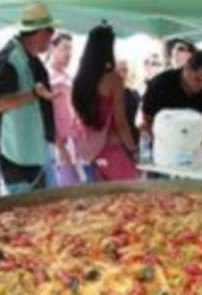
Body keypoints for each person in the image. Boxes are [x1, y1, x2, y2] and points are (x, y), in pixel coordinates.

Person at [0, 3, 59, 194]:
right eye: (51, 33)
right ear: (41, 32)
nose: (51, 40)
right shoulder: (9, 59)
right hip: (16, 156)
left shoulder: (32, 60)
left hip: (36, 150)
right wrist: (33, 94)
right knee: (24, 214)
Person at [72, 25, 139, 181]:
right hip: (111, 148)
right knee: (130, 196)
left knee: (100, 201)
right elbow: (120, 121)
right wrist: (133, 149)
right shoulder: (113, 79)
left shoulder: (79, 80)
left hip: (87, 151)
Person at [141, 50, 202, 129]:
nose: (201, 85)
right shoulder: (161, 83)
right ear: (186, 68)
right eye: (197, 79)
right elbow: (145, 117)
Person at [47, 33, 79, 170]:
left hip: (74, 142)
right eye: (65, 48)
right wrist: (60, 146)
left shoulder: (68, 76)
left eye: (70, 49)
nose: (69, 53)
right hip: (58, 145)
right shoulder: (46, 76)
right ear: (52, 49)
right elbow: (47, 114)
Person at [117, 59, 141, 142]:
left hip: (133, 141)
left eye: (124, 70)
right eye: (118, 70)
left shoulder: (135, 95)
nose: (121, 74)